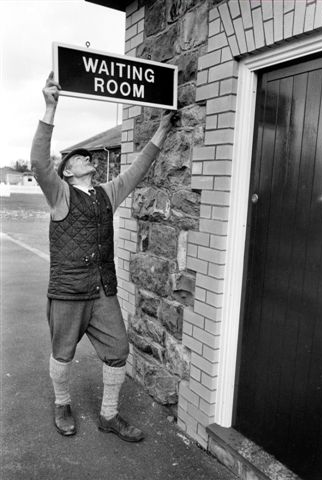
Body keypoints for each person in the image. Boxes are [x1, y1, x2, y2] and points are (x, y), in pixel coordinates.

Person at [30, 71, 176, 442]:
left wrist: (161, 131)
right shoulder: (60, 195)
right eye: (78, 157)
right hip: (67, 291)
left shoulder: (107, 194)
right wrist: (50, 108)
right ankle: (61, 403)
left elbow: (138, 169)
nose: (85, 157)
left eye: (85, 155)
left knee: (118, 350)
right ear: (68, 171)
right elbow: (38, 164)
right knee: (63, 353)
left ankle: (109, 416)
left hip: (102, 291)